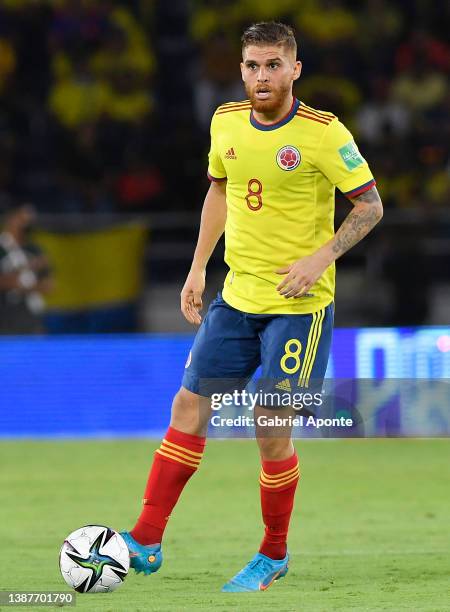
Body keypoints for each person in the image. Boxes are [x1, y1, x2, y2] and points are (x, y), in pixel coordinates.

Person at [120, 21, 383, 592]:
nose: (261, 77)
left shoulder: (322, 133)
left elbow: (370, 206)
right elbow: (220, 191)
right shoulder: (225, 121)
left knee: (268, 423)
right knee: (188, 407)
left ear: (295, 70)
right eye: (252, 67)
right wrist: (196, 267)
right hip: (236, 297)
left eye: (272, 66)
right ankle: (145, 539)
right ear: (240, 70)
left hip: (300, 305)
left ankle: (273, 553)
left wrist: (321, 258)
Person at [0, 203, 53, 334]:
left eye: (28, 221)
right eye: (21, 219)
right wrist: (28, 267)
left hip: (31, 314)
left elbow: (49, 285)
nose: (25, 225)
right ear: (10, 219)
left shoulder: (34, 250)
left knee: (36, 350)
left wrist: (23, 287)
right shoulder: (2, 248)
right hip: (4, 314)